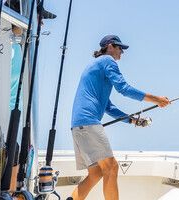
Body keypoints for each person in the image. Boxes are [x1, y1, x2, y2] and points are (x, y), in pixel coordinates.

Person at [67, 35, 170, 200]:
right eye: (120, 48)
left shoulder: (95, 65)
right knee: (112, 167)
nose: (122, 52)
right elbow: (124, 88)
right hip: (89, 123)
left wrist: (132, 120)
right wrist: (157, 99)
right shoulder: (107, 61)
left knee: (96, 173)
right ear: (110, 46)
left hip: (78, 126)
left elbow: (108, 106)